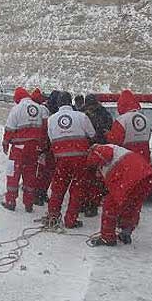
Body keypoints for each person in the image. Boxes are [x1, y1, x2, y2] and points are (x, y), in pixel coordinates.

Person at [86, 144, 152, 246]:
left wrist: (94, 163)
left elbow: (105, 155)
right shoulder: (116, 150)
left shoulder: (98, 150)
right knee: (132, 205)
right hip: (146, 176)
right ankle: (126, 232)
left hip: (130, 175)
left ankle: (107, 237)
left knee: (110, 205)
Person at [45, 92, 96, 228]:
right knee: (77, 189)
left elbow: (51, 139)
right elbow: (92, 134)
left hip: (61, 160)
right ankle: (70, 220)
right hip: (80, 159)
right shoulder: (81, 116)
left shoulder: (51, 119)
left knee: (58, 188)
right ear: (70, 102)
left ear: (58, 103)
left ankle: (52, 216)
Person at [2, 87, 45, 212]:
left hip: (19, 148)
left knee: (13, 175)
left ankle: (11, 201)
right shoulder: (38, 108)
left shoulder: (17, 109)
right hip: (34, 148)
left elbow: (9, 129)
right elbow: (42, 129)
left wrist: (5, 144)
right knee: (30, 175)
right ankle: (29, 203)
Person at [81, 93, 114, 217]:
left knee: (96, 180)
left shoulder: (104, 115)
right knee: (86, 179)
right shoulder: (83, 113)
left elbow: (107, 131)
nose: (89, 108)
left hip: (99, 149)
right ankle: (84, 203)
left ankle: (92, 205)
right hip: (87, 149)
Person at [106, 89, 152, 162]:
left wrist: (107, 134)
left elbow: (115, 140)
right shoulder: (145, 118)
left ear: (121, 104)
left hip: (127, 157)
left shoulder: (121, 120)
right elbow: (148, 136)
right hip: (144, 158)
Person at [31, 88, 53, 206]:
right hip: (43, 145)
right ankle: (39, 194)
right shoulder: (43, 110)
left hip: (35, 143)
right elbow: (45, 128)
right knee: (44, 171)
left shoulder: (31, 109)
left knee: (37, 170)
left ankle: (36, 193)